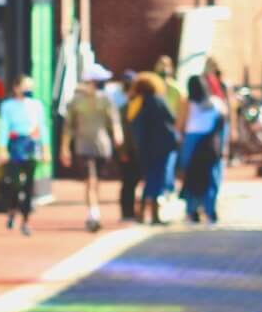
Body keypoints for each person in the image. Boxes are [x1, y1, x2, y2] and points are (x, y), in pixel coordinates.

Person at [61, 64, 120, 232]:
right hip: (83, 146)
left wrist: (117, 134)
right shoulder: (75, 102)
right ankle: (93, 214)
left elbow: (113, 120)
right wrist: (64, 148)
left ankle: (95, 210)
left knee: (97, 182)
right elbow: (68, 127)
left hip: (102, 146)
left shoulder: (106, 100)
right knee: (90, 180)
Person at [0, 75, 47, 236]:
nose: (28, 90)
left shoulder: (37, 106)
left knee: (29, 185)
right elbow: (4, 127)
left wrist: (45, 149)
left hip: (30, 144)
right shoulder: (7, 106)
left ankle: (25, 221)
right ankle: (12, 210)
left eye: (30, 87)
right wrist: (2, 148)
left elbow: (42, 127)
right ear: (16, 88)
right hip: (15, 145)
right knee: (15, 183)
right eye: (25, 87)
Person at [129, 73, 178, 225]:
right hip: (162, 145)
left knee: (149, 178)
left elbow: (132, 124)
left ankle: (142, 213)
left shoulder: (136, 103)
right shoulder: (159, 100)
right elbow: (172, 118)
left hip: (145, 146)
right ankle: (154, 215)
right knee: (158, 179)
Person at [178, 75, 227, 224]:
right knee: (211, 176)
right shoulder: (216, 103)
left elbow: (180, 124)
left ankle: (191, 210)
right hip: (211, 143)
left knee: (191, 177)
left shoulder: (188, 102)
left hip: (192, 142)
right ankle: (210, 209)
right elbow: (224, 122)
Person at [115, 70, 143, 224]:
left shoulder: (136, 105)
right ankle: (128, 212)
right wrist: (123, 151)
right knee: (129, 182)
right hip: (129, 151)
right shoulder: (124, 107)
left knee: (133, 181)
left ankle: (134, 211)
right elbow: (123, 132)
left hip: (136, 150)